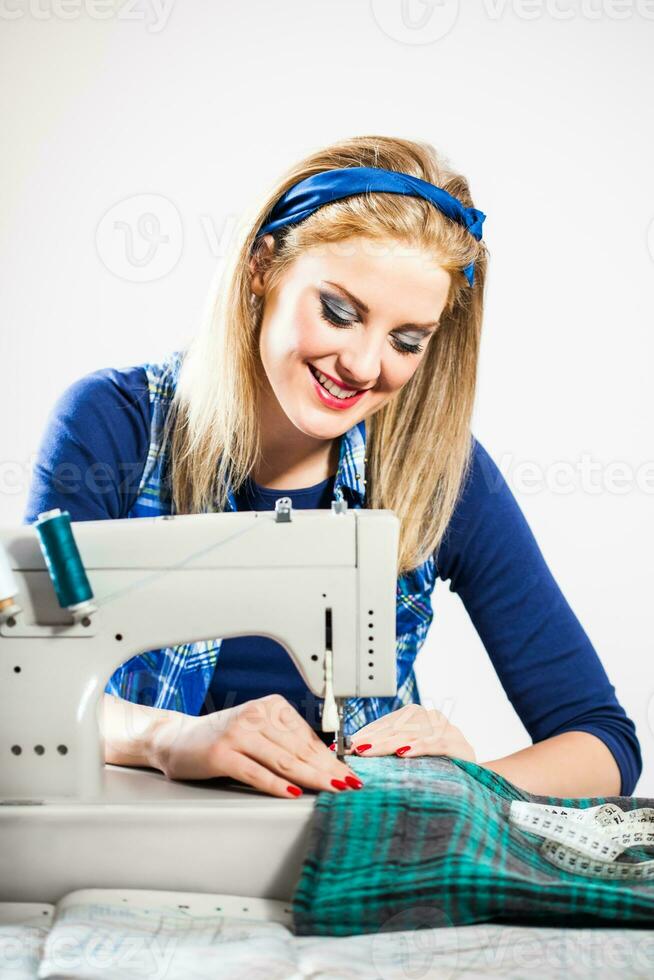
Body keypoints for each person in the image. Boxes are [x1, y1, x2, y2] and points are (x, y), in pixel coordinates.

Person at [23, 135, 641, 801]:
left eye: (408, 340)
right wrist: (166, 738)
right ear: (263, 266)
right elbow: (26, 688)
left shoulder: (432, 470)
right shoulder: (114, 430)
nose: (366, 365)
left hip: (350, 870)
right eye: (340, 313)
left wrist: (464, 785)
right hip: (133, 856)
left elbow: (601, 739)